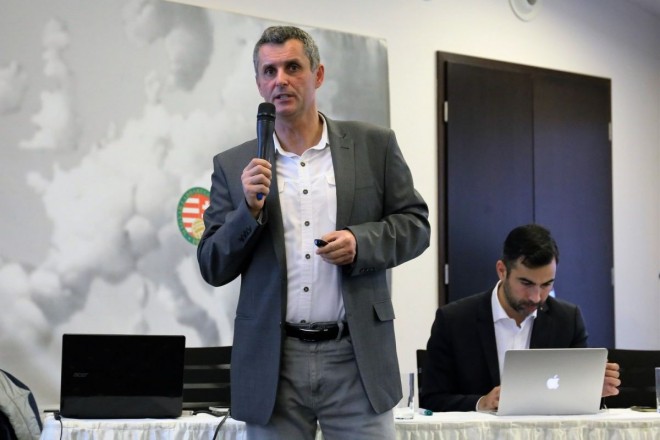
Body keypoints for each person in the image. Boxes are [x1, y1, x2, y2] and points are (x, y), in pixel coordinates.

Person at [197, 26, 430, 439]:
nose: (280, 80)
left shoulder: (373, 145)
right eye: (269, 71)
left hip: (356, 357)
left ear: (317, 75)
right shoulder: (234, 166)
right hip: (273, 363)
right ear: (259, 83)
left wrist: (361, 243)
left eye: (293, 67)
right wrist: (248, 211)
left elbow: (416, 225)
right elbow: (213, 265)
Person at [419, 224, 620, 412]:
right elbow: (431, 400)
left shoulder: (567, 320)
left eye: (546, 284)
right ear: (502, 271)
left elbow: (575, 398)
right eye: (526, 283)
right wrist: (481, 403)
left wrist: (593, 390)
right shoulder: (454, 320)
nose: (536, 297)